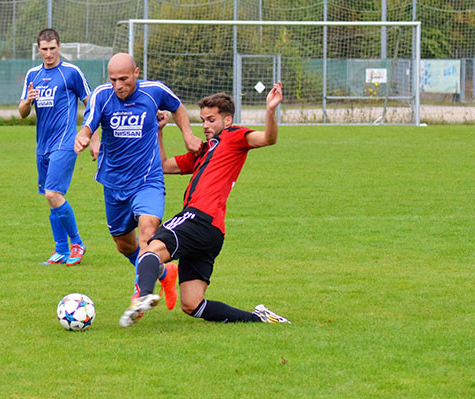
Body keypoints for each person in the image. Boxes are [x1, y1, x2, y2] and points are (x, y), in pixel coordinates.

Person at [119, 83, 291, 327]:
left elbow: (268, 138)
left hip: (198, 217)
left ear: (227, 120)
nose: (206, 126)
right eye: (202, 120)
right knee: (192, 304)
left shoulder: (234, 136)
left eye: (211, 120)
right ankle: (259, 318)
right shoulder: (202, 150)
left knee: (149, 248)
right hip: (212, 232)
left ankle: (143, 296)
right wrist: (159, 131)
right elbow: (164, 165)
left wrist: (271, 111)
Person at [74, 53, 202, 309]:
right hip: (114, 183)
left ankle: (140, 293)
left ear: (136, 73)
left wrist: (188, 135)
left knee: (147, 233)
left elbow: (177, 106)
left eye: (123, 78)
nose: (118, 85)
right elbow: (89, 122)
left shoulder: (154, 91)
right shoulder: (102, 95)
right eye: (113, 80)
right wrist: (84, 136)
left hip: (147, 180)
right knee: (124, 245)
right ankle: (165, 274)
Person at [19, 28, 94, 266]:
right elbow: (22, 113)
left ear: (59, 46)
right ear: (38, 49)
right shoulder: (33, 74)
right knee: (51, 197)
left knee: (53, 193)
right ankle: (61, 249)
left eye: (53, 48)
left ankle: (77, 243)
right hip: (43, 144)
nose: (49, 53)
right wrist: (28, 101)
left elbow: (91, 104)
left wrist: (91, 136)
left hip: (65, 142)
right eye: (44, 49)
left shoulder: (71, 72)